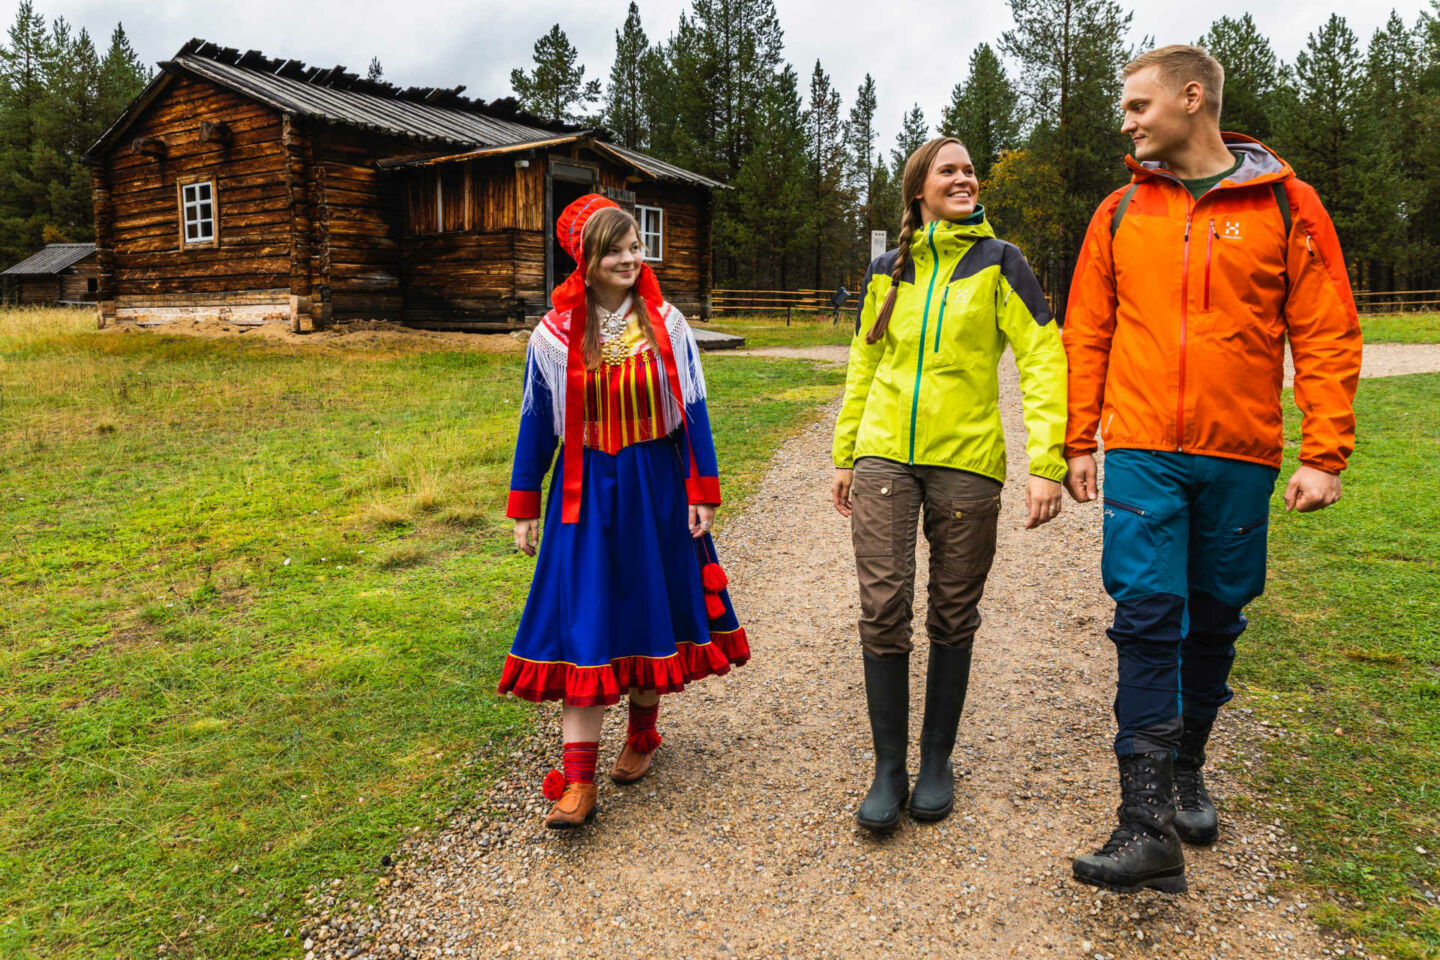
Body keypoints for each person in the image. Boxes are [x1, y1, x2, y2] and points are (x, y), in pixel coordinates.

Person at [1063, 45, 1362, 892]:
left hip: (1240, 453)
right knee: (1148, 617)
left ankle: (1187, 766)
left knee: (1216, 616)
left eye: (1137, 106)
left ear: (1192, 100)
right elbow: (1087, 332)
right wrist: (1079, 439)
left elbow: (1327, 332)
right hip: (1146, 452)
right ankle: (1144, 823)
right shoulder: (1119, 212)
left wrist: (1325, 452)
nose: (1126, 122)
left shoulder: (1288, 207)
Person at [832, 136, 1068, 833]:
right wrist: (846, 452)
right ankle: (888, 766)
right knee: (883, 604)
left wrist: (1046, 462)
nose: (964, 178)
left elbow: (1043, 360)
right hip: (883, 457)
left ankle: (936, 759)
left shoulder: (1003, 262)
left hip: (967, 460)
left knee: (953, 611)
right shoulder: (886, 269)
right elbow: (863, 364)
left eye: (969, 170)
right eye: (949, 170)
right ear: (920, 191)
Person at [499, 194, 749, 829]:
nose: (630, 258)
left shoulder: (668, 324)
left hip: (654, 484)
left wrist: (701, 491)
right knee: (587, 615)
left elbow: (692, 413)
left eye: (636, 247)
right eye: (615, 249)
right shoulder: (552, 337)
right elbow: (536, 425)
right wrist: (526, 505)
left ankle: (642, 733)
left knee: (646, 605)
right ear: (584, 257)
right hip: (584, 491)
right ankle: (578, 780)